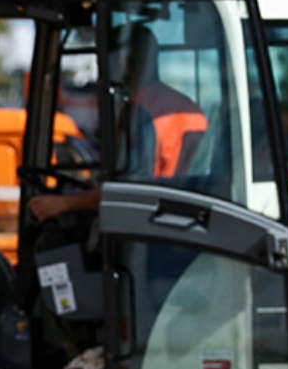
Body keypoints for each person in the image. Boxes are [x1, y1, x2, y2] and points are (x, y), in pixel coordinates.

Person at [28, 24, 208, 222]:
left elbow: (130, 190)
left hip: (149, 225)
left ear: (128, 64)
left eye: (106, 63)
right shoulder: (186, 106)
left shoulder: (140, 111)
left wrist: (64, 203)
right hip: (183, 215)